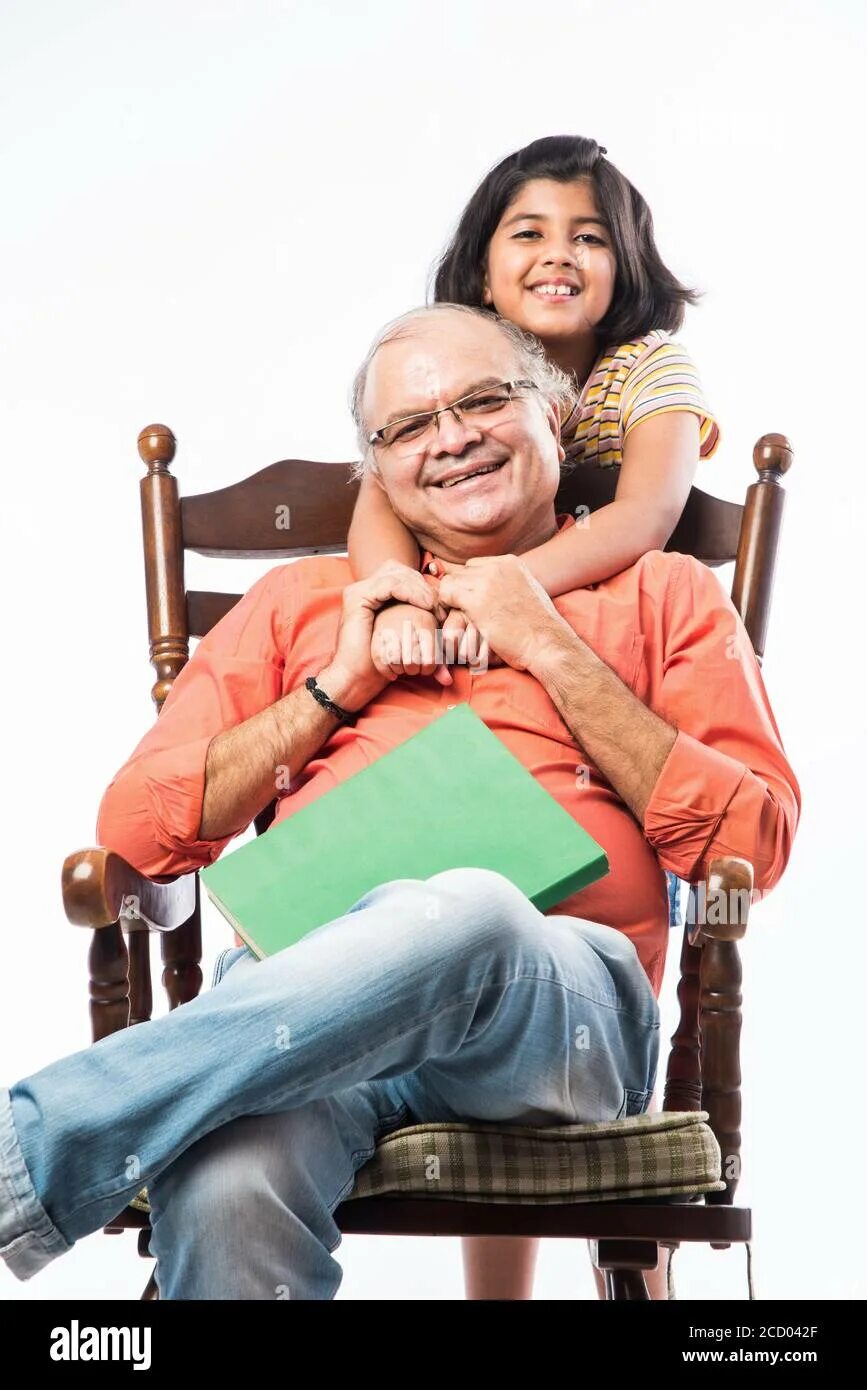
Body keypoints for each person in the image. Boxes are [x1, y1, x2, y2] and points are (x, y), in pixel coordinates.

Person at [0, 306, 799, 1300]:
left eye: (482, 400)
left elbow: (751, 846)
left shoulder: (666, 594)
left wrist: (547, 641)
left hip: (559, 1018)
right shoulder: (307, 601)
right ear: (376, 471)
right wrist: (336, 684)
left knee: (470, 910)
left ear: (552, 414)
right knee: (225, 1178)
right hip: (308, 1022)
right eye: (410, 426)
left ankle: (32, 1149)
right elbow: (136, 833)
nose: (452, 436)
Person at [349, 134, 721, 1295]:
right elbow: (374, 513)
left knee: (515, 920)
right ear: (480, 262)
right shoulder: (440, 383)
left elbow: (646, 517)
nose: (560, 255)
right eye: (530, 231)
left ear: (628, 262)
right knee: (456, 906)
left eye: (590, 236)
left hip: (581, 638)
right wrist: (407, 590)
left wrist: (514, 593)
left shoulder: (647, 369)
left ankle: (642, 1275)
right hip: (458, 720)